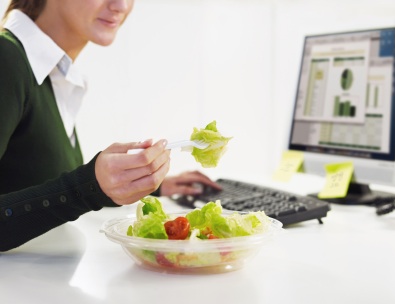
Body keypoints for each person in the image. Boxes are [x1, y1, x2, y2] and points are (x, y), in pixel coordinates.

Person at [0, 0, 221, 252]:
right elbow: (73, 191)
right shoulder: (6, 59)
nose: (121, 6)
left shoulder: (50, 74)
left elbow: (32, 190)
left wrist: (137, 184)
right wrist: (90, 186)